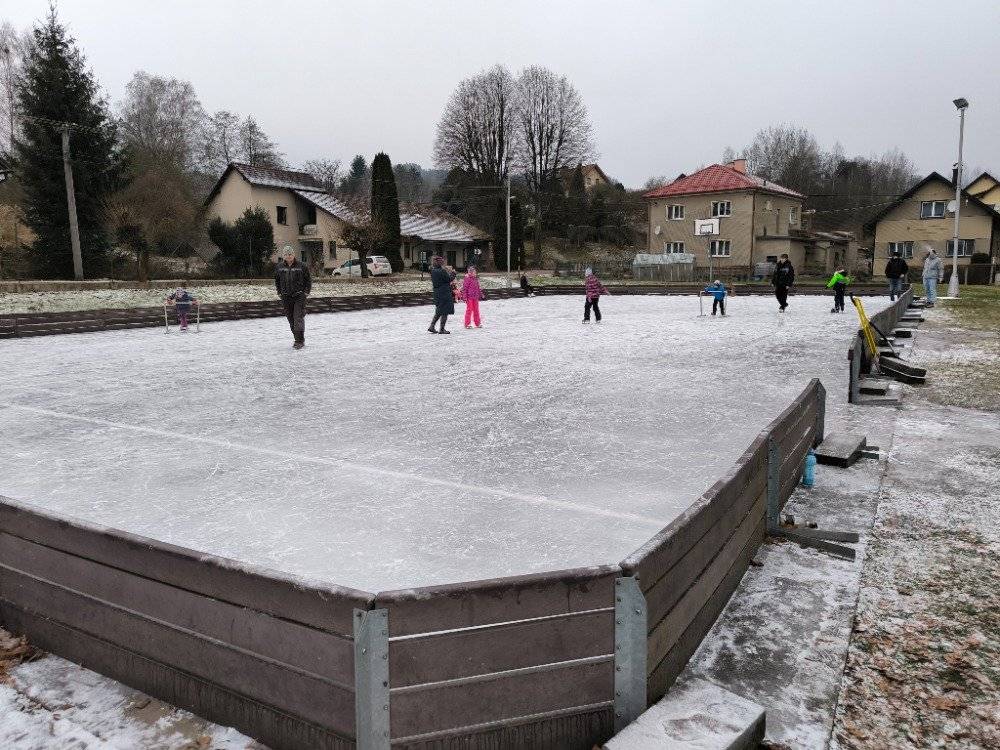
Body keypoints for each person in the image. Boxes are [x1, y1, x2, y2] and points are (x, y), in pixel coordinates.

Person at [274, 245, 311, 349]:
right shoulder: (279, 267)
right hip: (286, 297)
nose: (288, 256)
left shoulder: (302, 266)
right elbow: (277, 281)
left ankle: (299, 341)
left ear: (293, 255)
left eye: (290, 254)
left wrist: (306, 292)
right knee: (291, 319)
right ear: (283, 256)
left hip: (299, 296)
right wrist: (279, 292)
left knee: (297, 318)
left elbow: (308, 280)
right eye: (286, 254)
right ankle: (298, 338)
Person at [428, 256, 456, 334]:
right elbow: (449, 279)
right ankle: (442, 329)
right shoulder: (442, 271)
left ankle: (432, 326)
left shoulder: (433, 271)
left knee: (439, 310)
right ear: (440, 263)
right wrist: (453, 273)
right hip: (444, 293)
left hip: (437, 292)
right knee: (445, 311)